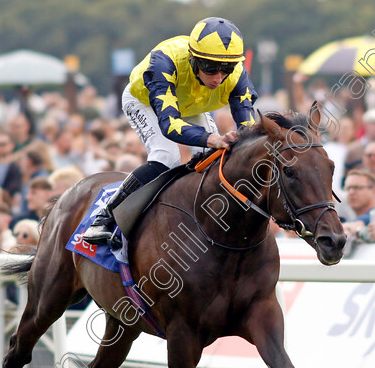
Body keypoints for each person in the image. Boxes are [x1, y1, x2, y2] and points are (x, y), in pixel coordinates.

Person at [83, 17, 257, 246]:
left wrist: (242, 140)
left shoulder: (238, 76)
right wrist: (213, 138)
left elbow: (249, 131)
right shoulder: (164, 62)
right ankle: (105, 216)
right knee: (167, 156)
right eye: (211, 68)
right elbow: (170, 125)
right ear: (194, 59)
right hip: (145, 100)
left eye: (226, 68)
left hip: (192, 105)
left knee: (215, 159)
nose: (218, 77)